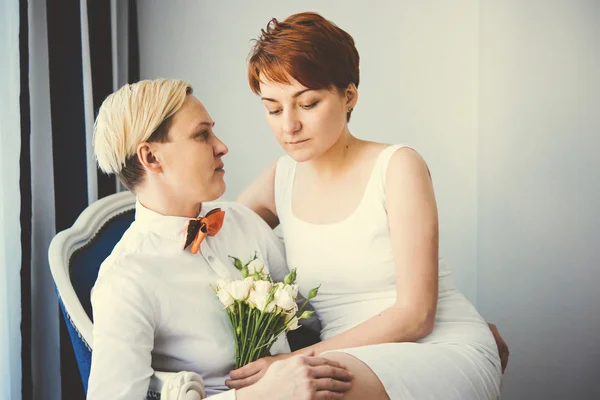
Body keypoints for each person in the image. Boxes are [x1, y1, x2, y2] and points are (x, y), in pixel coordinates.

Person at [231, 12, 505, 399]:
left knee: (308, 387)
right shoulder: (280, 178)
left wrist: (293, 362)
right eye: (273, 109)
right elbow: (211, 239)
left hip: (437, 346)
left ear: (348, 96)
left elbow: (416, 316)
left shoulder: (397, 166)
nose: (288, 125)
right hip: (344, 356)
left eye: (307, 103)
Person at [87, 78, 353, 399]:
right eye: (202, 135)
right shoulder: (126, 279)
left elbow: (310, 310)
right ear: (151, 158)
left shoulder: (240, 221)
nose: (221, 146)